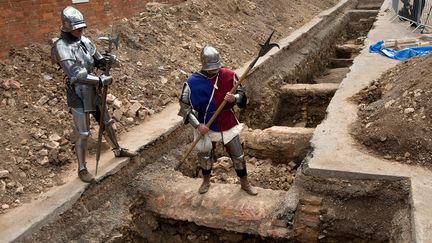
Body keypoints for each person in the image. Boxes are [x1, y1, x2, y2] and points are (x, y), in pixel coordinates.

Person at [51, 6, 137, 183]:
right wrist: (100, 81)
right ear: (67, 27)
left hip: (94, 91)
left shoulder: (85, 41)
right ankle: (82, 169)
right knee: (83, 133)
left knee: (107, 122)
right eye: (77, 28)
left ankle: (117, 149)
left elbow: (97, 59)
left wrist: (108, 60)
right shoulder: (61, 46)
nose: (81, 31)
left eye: (82, 27)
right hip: (77, 93)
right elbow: (76, 73)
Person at [178, 45, 258, 195]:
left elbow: (242, 94)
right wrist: (197, 124)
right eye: (211, 68)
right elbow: (184, 107)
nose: (215, 71)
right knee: (205, 155)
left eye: (216, 67)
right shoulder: (192, 82)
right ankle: (206, 181)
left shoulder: (228, 75)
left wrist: (234, 97)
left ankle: (245, 183)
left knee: (238, 154)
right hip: (206, 121)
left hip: (227, 120)